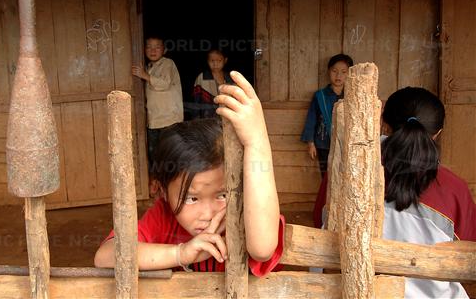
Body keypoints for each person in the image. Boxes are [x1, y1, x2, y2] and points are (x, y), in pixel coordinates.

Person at [95, 71, 284, 276]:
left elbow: (262, 249)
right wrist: (180, 253)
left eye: (222, 195)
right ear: (164, 193)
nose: (207, 213)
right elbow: (104, 256)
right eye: (192, 198)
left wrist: (256, 143)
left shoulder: (248, 213)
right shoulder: (163, 216)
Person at [314, 87, 476, 298]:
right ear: (437, 134)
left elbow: (320, 222)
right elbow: (468, 254)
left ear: (384, 125)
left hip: (353, 292)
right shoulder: (455, 190)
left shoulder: (344, 170)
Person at [132, 36, 184, 165]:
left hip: (169, 119)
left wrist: (144, 75)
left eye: (157, 47)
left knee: (170, 153)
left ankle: (172, 181)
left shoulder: (168, 63)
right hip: (154, 120)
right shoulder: (149, 66)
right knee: (155, 154)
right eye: (149, 47)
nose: (152, 50)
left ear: (164, 50)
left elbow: (164, 83)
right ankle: (159, 181)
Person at [301, 54, 354, 176]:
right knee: (326, 177)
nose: (338, 75)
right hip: (323, 143)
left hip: (346, 143)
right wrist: (311, 143)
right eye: (334, 71)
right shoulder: (320, 96)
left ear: (349, 74)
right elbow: (311, 119)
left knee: (344, 177)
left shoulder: (352, 96)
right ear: (328, 71)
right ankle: (326, 196)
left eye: (343, 72)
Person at [192, 49, 234, 119]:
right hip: (207, 119)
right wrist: (196, 119)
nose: (215, 64)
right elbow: (196, 102)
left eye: (219, 61)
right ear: (207, 61)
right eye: (212, 61)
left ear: (225, 60)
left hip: (227, 118)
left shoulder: (230, 79)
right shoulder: (202, 77)